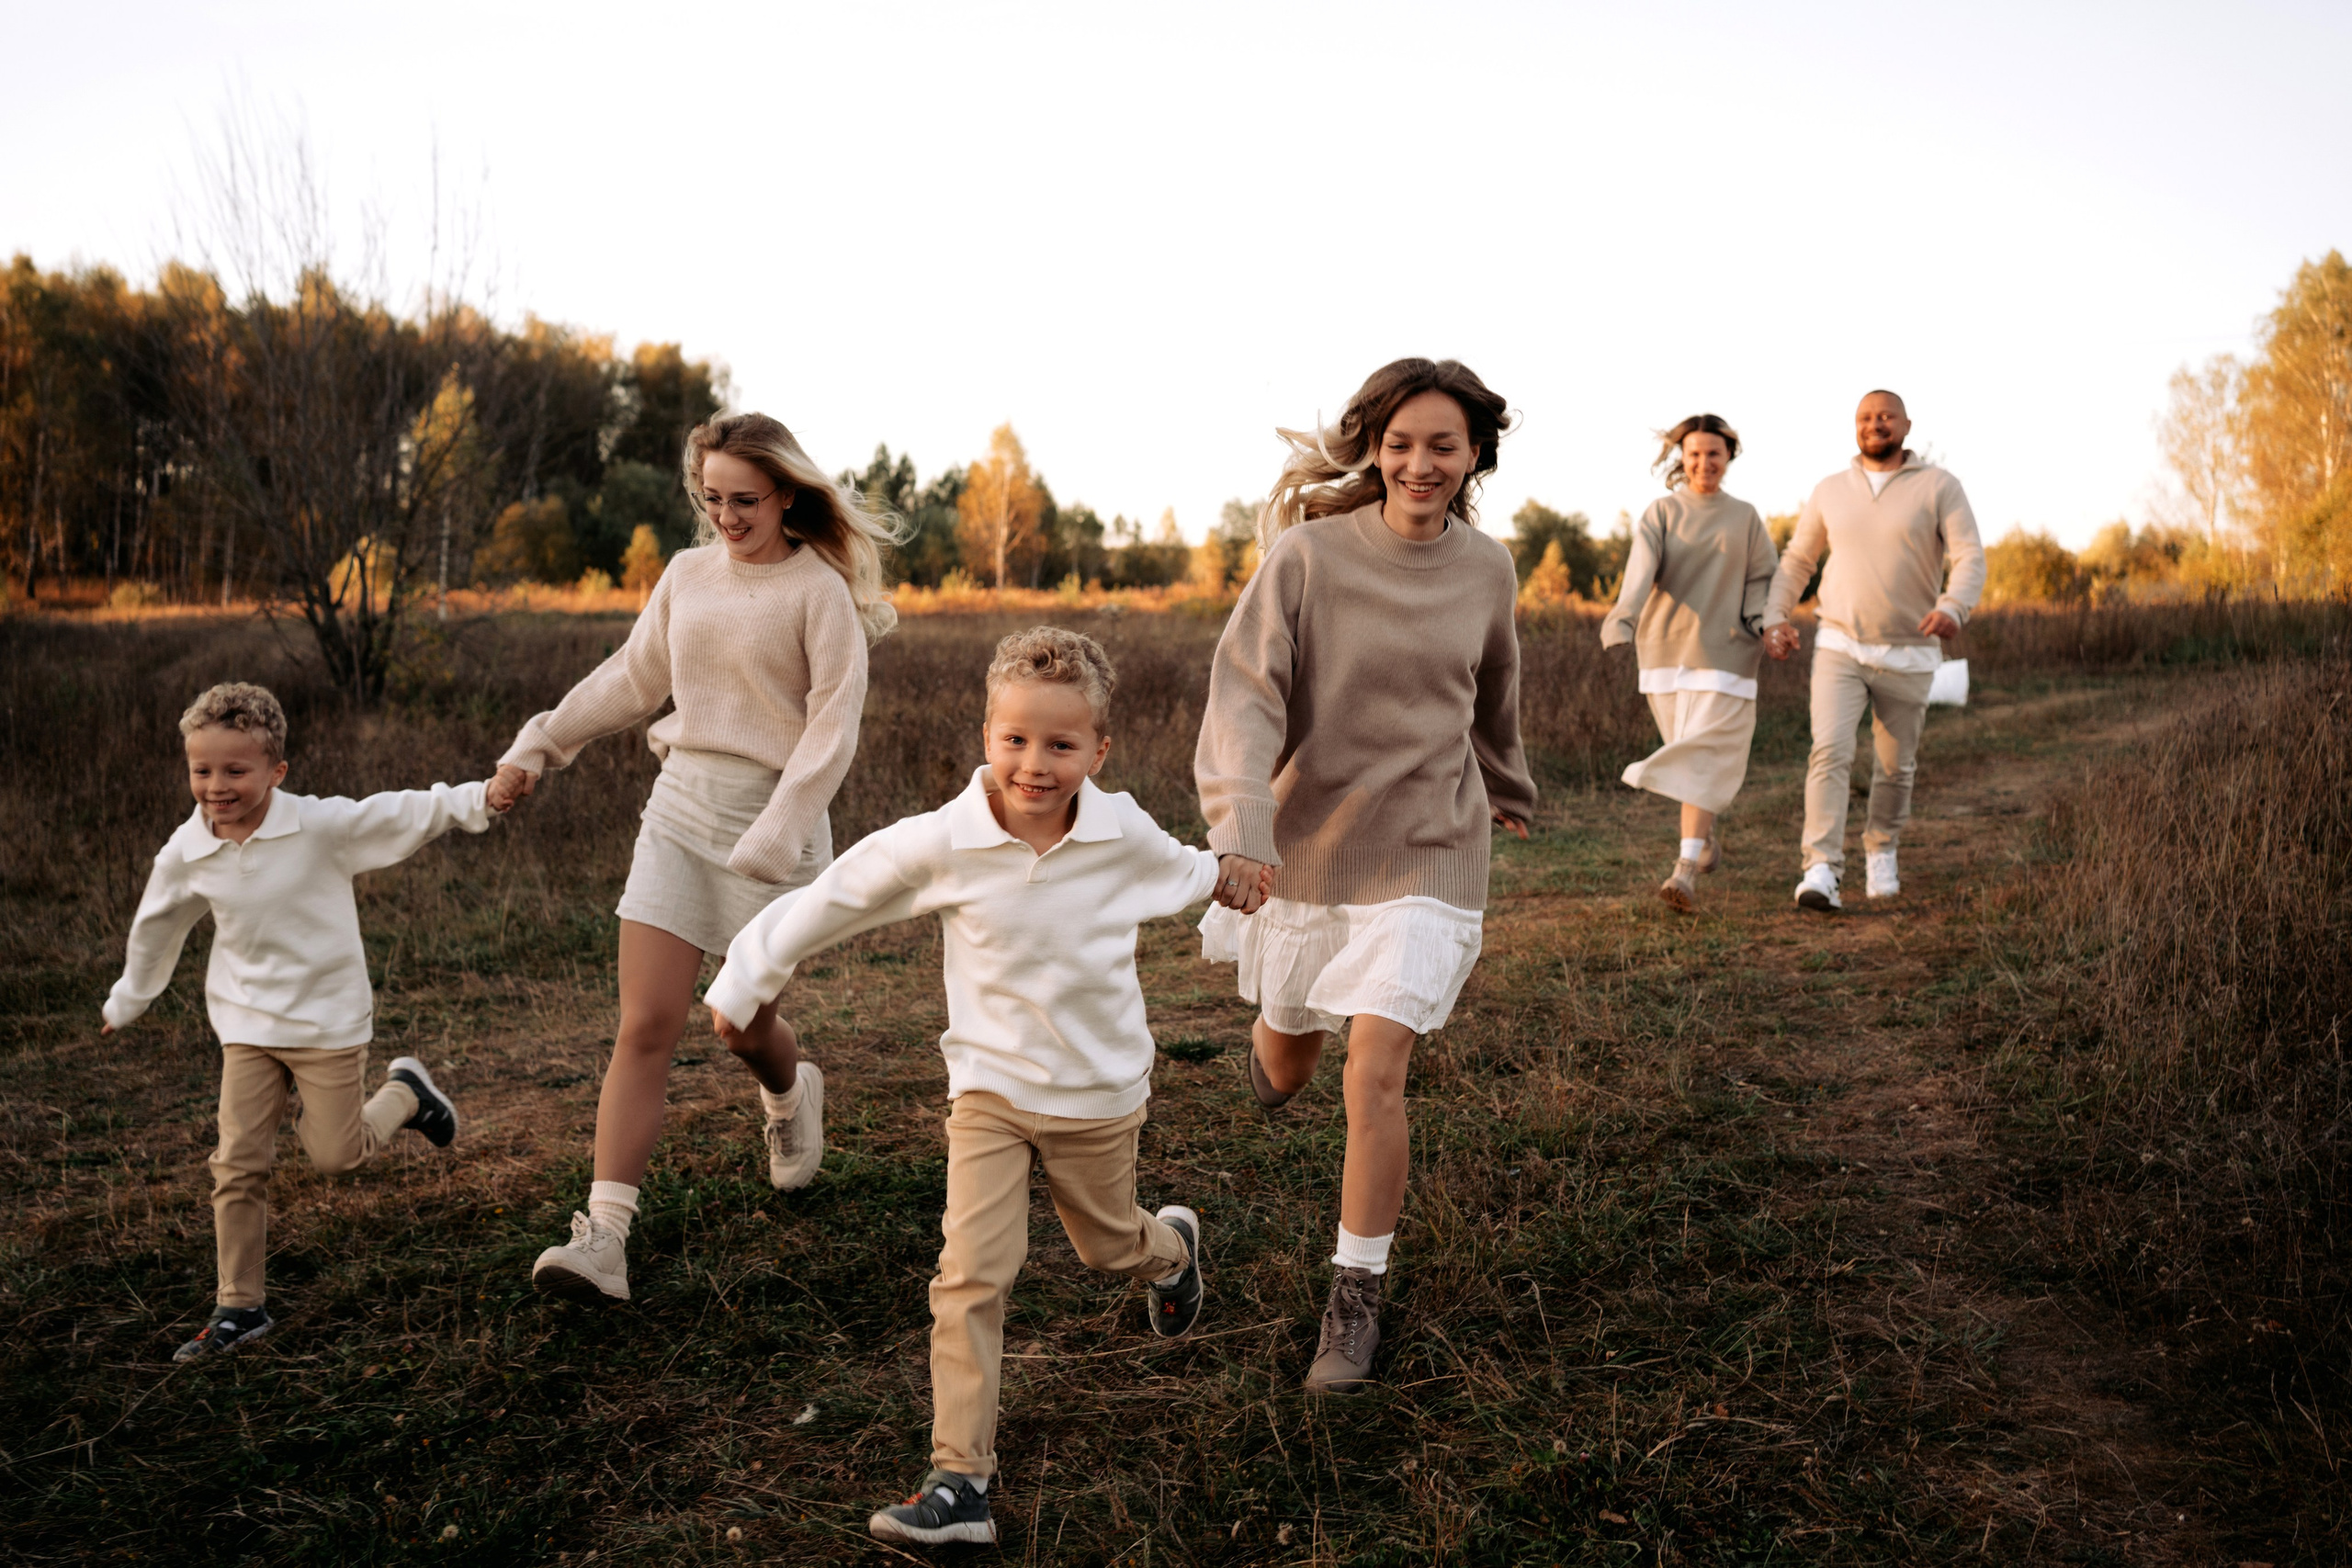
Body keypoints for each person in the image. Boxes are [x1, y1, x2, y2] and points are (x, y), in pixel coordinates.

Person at [704, 627, 1255, 1548]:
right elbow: (838, 892)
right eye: (1014, 740)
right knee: (969, 1277)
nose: (1033, 764)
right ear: (987, 734)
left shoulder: (1123, 835)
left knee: (1106, 1246)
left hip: (1096, 1091)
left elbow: (1194, 873)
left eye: (1060, 745)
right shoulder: (947, 840)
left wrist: (1234, 877)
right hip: (989, 1092)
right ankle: (960, 1482)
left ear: (1099, 750)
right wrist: (744, 982)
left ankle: (1171, 1256)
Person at [492, 412, 899, 1303]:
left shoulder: (817, 590)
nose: (726, 515)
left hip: (774, 827)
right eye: (710, 498)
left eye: (744, 499)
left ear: (788, 493)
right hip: (680, 810)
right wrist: (538, 744)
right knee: (646, 1024)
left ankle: (792, 1096)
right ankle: (604, 1239)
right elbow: (632, 678)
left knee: (738, 1026)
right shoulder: (686, 576)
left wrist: (783, 825)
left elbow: (832, 725)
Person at [1194, 356, 1537, 1394]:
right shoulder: (1306, 560)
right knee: (1293, 1061)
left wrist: (1507, 781)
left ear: (1475, 453)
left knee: (1376, 1068)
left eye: (1443, 445)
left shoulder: (1489, 568)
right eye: (1400, 444)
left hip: (1432, 842)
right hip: (1310, 841)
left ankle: (1353, 1305)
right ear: (1372, 449)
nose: (1420, 464)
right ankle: (1275, 1039)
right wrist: (1244, 825)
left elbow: (1494, 688)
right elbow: (1245, 697)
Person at [101, 682, 487, 1361]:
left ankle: (406, 1094)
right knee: (237, 1163)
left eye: (235, 770)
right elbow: (157, 926)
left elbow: (401, 813)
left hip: (327, 1022)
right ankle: (239, 1307)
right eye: (201, 770)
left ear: (276, 772)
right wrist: (128, 998)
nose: (216, 786)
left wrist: (478, 799)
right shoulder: (188, 849)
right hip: (247, 1023)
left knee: (336, 1155)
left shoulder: (318, 827)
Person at [1760, 389, 1984, 909]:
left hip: (1910, 651)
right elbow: (1798, 561)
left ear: (1906, 426)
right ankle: (1820, 870)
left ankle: (1882, 847)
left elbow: (1970, 555)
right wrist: (1776, 617)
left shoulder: (1939, 486)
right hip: (1840, 643)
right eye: (1865, 417)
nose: (1874, 424)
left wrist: (1953, 607)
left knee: (1895, 765)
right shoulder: (1831, 489)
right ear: (1854, 426)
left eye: (1886, 416)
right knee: (1830, 753)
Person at [1601, 413, 1779, 910]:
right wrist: (1624, 616)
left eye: (1714, 453)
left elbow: (1762, 581)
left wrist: (1767, 626)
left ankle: (1683, 873)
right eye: (1695, 453)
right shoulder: (1661, 512)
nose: (1704, 462)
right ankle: (1704, 842)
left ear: (1728, 457)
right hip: (1664, 651)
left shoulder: (1744, 517)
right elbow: (1641, 569)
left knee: (1699, 758)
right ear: (1683, 457)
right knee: (1692, 759)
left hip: (1727, 649)